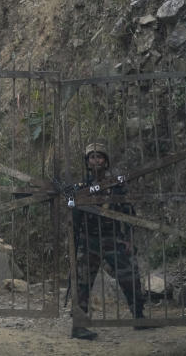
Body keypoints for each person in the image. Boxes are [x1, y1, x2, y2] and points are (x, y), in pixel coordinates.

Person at [71, 143, 148, 340]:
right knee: (82, 284)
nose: (96, 161)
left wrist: (129, 238)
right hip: (88, 241)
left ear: (106, 161)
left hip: (113, 239)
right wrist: (74, 243)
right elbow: (74, 219)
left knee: (130, 277)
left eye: (99, 157)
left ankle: (139, 317)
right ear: (87, 162)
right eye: (92, 157)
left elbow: (128, 213)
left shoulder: (116, 186)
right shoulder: (80, 188)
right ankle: (79, 326)